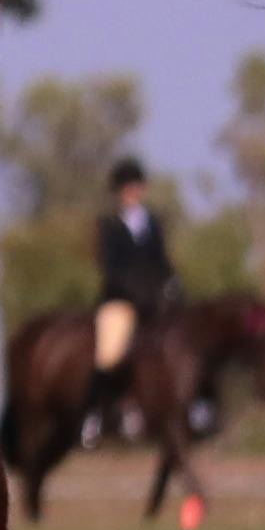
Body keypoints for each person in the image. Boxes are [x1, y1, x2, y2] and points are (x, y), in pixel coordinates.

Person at [88, 154, 179, 380]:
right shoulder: (109, 226)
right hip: (121, 300)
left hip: (155, 298)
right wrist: (133, 289)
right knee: (108, 353)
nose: (132, 193)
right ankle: (101, 403)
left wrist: (171, 282)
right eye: (127, 188)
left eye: (135, 187)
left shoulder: (154, 223)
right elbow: (110, 266)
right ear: (119, 192)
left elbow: (161, 260)